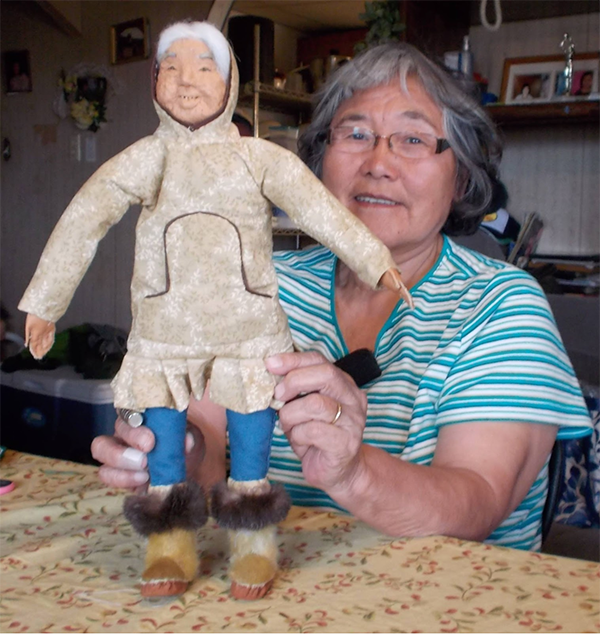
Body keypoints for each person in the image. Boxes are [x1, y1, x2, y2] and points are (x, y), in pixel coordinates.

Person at [93, 41, 592, 564]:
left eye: (413, 139)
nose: (378, 163)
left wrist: (353, 472)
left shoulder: (502, 304)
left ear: (461, 176)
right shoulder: (263, 285)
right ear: (318, 161)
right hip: (273, 579)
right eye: (355, 134)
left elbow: (479, 502)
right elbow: (210, 454)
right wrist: (174, 451)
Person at [19, 21, 406, 600]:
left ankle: (253, 544)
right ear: (154, 82)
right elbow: (84, 218)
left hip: (250, 330)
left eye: (204, 69)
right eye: (171, 69)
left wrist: (375, 261)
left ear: (229, 84)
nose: (187, 81)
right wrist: (46, 302)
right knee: (163, 448)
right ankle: (168, 543)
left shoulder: (257, 158)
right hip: (163, 333)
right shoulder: (147, 158)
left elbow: (318, 209)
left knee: (252, 443)